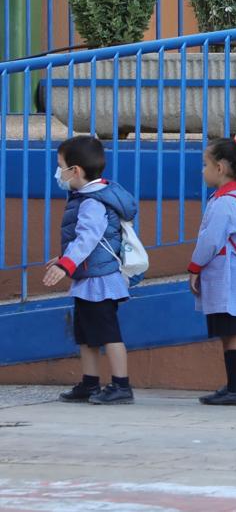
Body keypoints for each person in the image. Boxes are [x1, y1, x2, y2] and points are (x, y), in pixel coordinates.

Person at [43, 135, 139, 405]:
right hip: (90, 277)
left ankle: (121, 385)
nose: (57, 172)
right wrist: (63, 257)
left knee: (108, 334)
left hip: (100, 280)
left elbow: (88, 238)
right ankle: (90, 383)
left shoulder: (92, 202)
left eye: (60, 165)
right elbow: (87, 241)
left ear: (76, 171)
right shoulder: (86, 197)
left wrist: (66, 264)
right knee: (86, 335)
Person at [188, 136, 236, 406]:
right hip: (229, 279)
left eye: (205, 164)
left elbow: (210, 241)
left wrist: (194, 266)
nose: (202, 169)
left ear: (219, 168)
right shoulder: (230, 198)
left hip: (227, 280)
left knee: (231, 334)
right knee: (229, 335)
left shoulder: (224, 203)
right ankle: (233, 387)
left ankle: (235, 389)